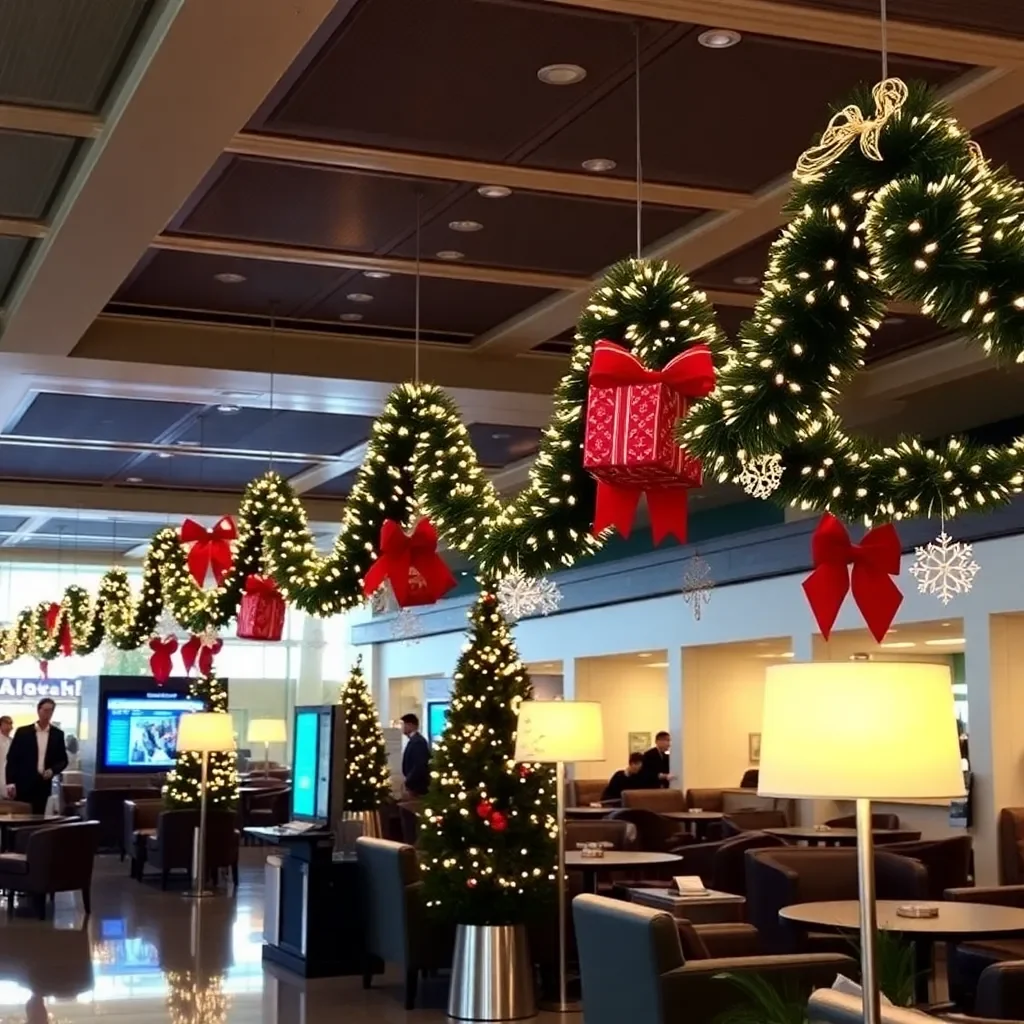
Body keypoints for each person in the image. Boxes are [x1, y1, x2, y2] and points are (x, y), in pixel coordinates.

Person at [6, 698, 68, 814]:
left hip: (43, 783)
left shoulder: (57, 734)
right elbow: (12, 758)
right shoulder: (23, 732)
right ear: (38, 711)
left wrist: (52, 770)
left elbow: (63, 760)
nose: (47, 714)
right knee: (21, 815)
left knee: (38, 816)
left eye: (50, 711)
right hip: (23, 782)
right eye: (45, 710)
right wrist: (10, 782)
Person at [400, 712, 431, 798]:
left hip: (417, 785)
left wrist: (408, 781)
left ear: (410, 725)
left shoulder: (418, 742)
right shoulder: (413, 741)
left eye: (403, 725)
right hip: (414, 784)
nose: (402, 728)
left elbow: (419, 765)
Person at [0, 715, 12, 796]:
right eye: (6, 723)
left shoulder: (12, 741)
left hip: (8, 774)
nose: (9, 726)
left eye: (10, 724)